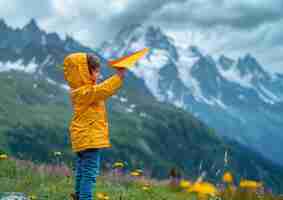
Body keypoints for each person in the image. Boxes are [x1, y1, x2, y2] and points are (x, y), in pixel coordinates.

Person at [63, 52, 126, 200]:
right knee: (89, 173)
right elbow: (102, 90)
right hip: (89, 139)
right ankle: (84, 197)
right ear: (84, 72)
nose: (99, 74)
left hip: (83, 139)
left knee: (82, 171)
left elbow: (98, 91)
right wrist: (119, 77)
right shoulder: (84, 92)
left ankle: (78, 196)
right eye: (96, 71)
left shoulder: (80, 91)